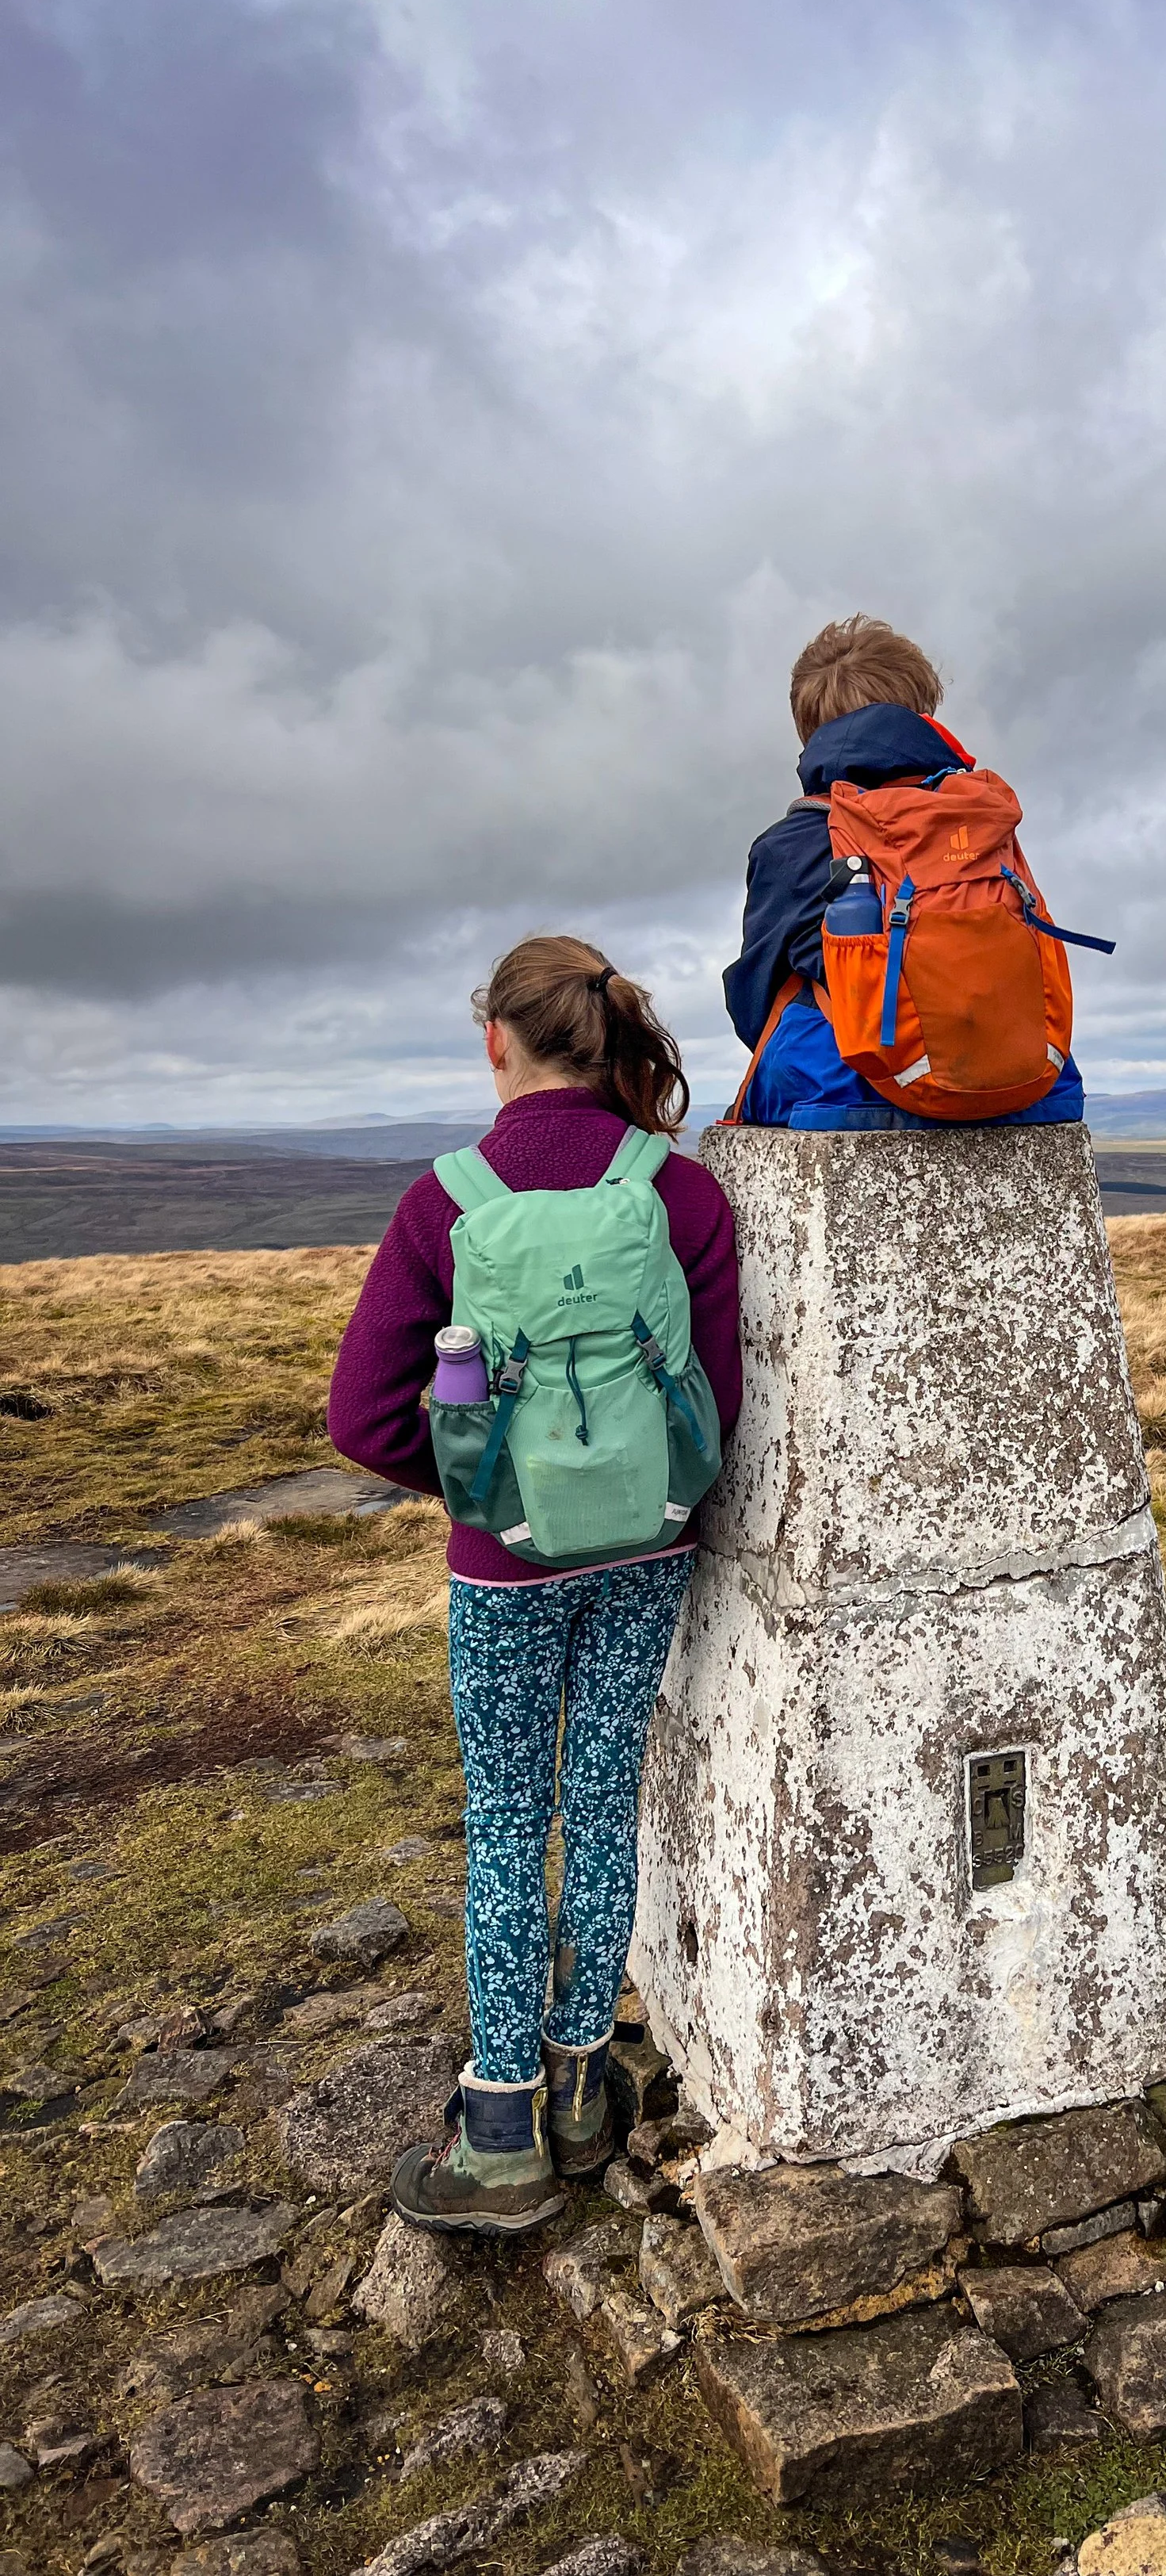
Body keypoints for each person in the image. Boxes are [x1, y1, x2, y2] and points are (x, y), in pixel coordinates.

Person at [327, 936, 740, 2234]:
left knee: (511, 1823)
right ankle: (581, 2090)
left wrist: (485, 1493)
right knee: (604, 1796)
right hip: (648, 1550)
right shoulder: (681, 1193)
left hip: (502, 1567)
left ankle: (498, 2131)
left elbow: (360, 1416)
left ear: (496, 1040)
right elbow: (714, 1404)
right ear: (610, 1038)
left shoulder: (444, 1197)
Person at [724, 614, 1088, 1128]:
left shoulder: (792, 841)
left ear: (808, 732)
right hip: (1029, 1084)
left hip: (847, 1086)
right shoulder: (977, 818)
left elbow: (754, 998)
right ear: (923, 715)